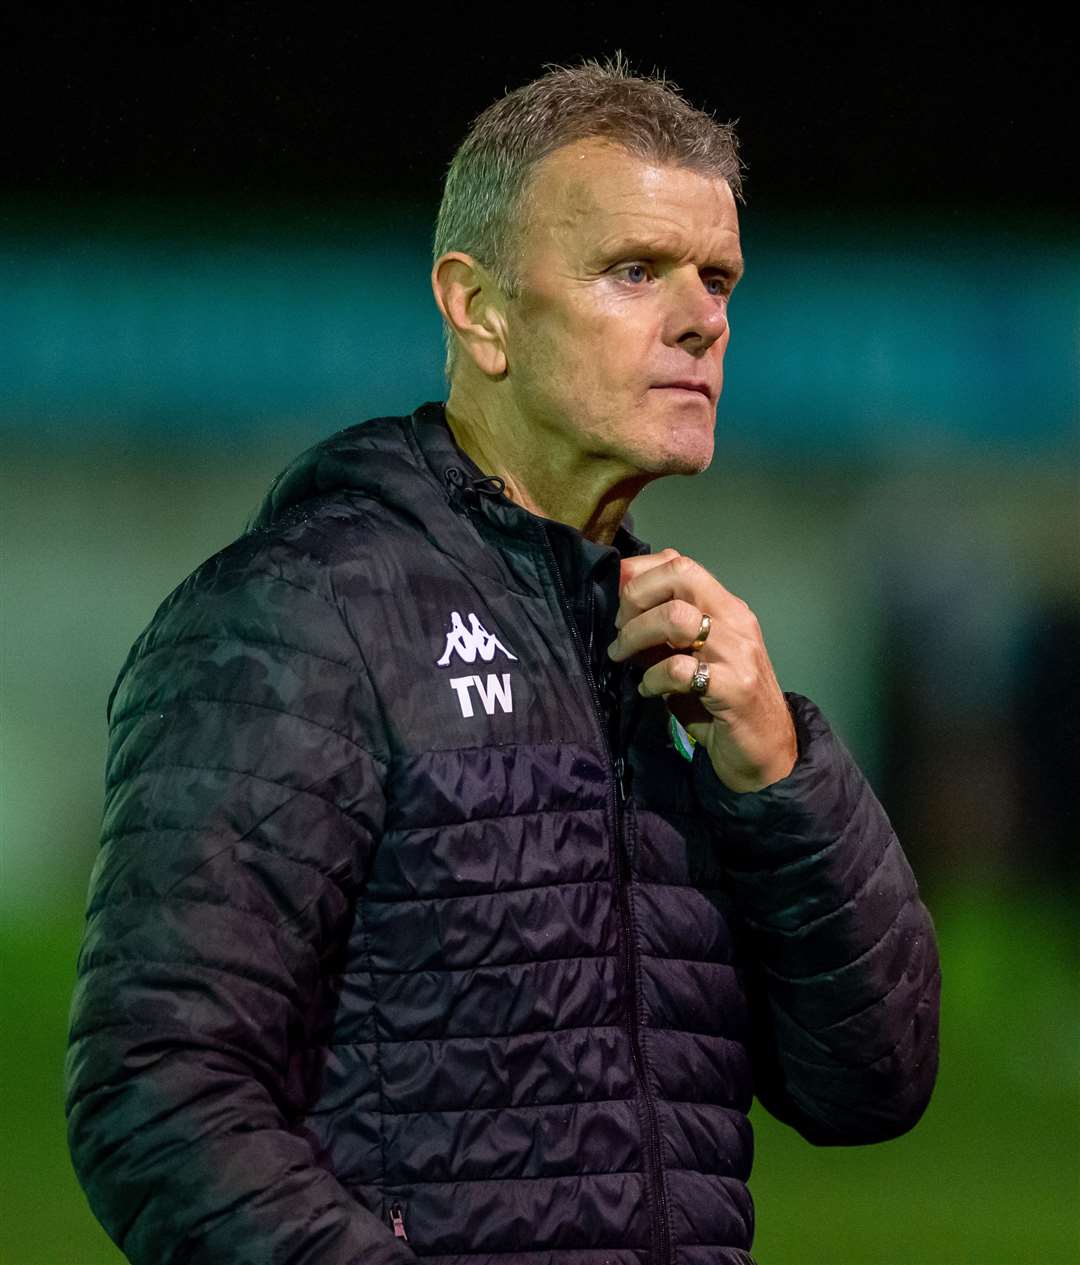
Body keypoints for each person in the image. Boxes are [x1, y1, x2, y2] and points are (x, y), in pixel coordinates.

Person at [65, 58, 940, 1265]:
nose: (702, 316)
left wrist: (782, 773)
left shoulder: (678, 658)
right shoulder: (299, 615)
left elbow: (875, 1082)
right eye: (635, 270)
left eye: (718, 277)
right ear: (478, 310)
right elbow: (156, 1091)